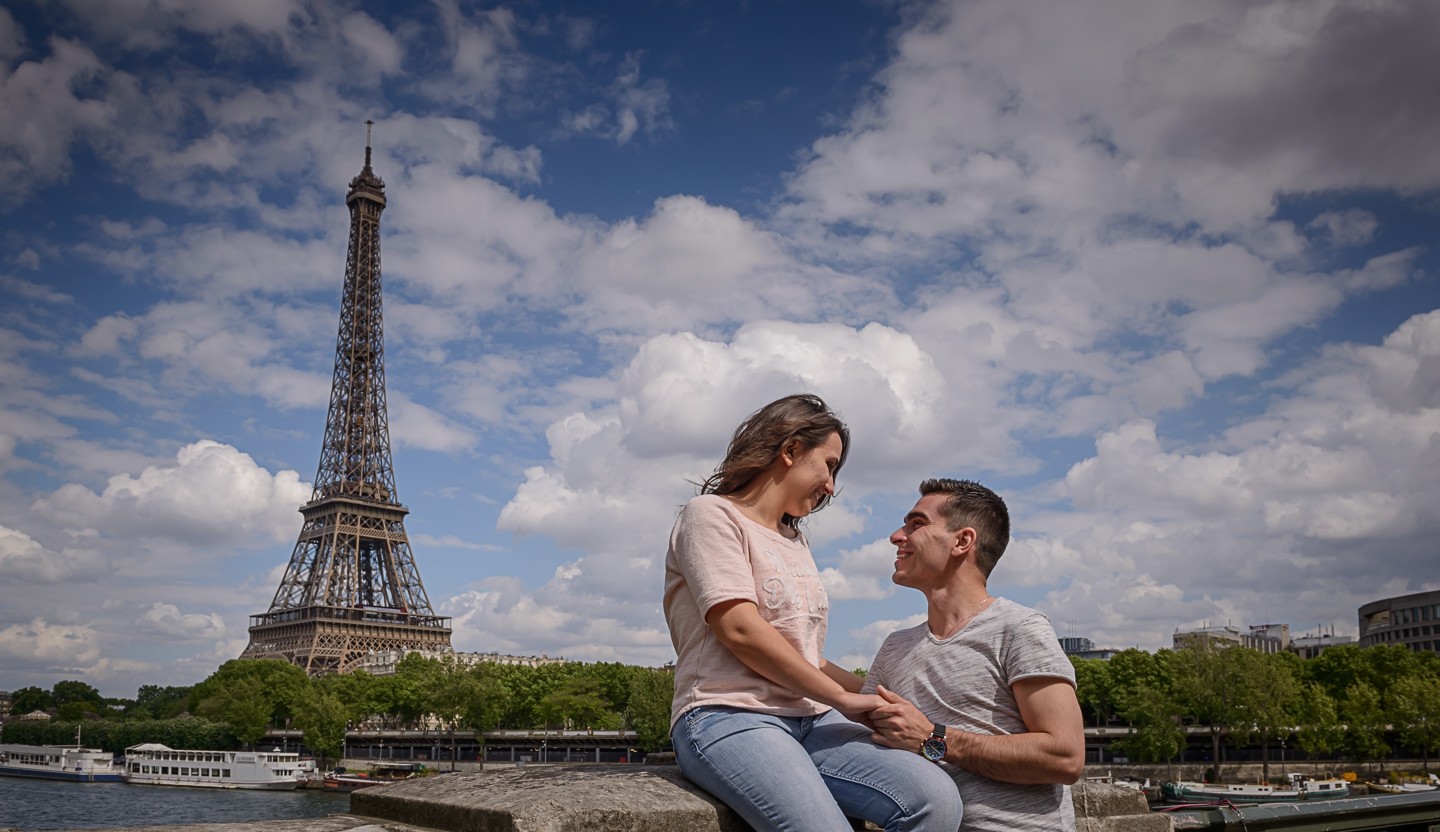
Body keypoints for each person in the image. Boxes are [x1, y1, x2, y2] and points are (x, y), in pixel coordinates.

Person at [665, 394, 963, 832]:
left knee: (936, 802)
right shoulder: (710, 515)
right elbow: (739, 629)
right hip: (727, 713)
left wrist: (877, 696)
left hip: (813, 719)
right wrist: (842, 700)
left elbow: (807, 657)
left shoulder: (795, 541)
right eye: (828, 464)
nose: (830, 485)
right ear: (790, 451)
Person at [864, 478, 1085, 832]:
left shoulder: (1020, 627)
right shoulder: (895, 646)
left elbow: (1065, 756)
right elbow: (862, 724)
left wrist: (933, 739)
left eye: (916, 524)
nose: (896, 536)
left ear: (962, 541)